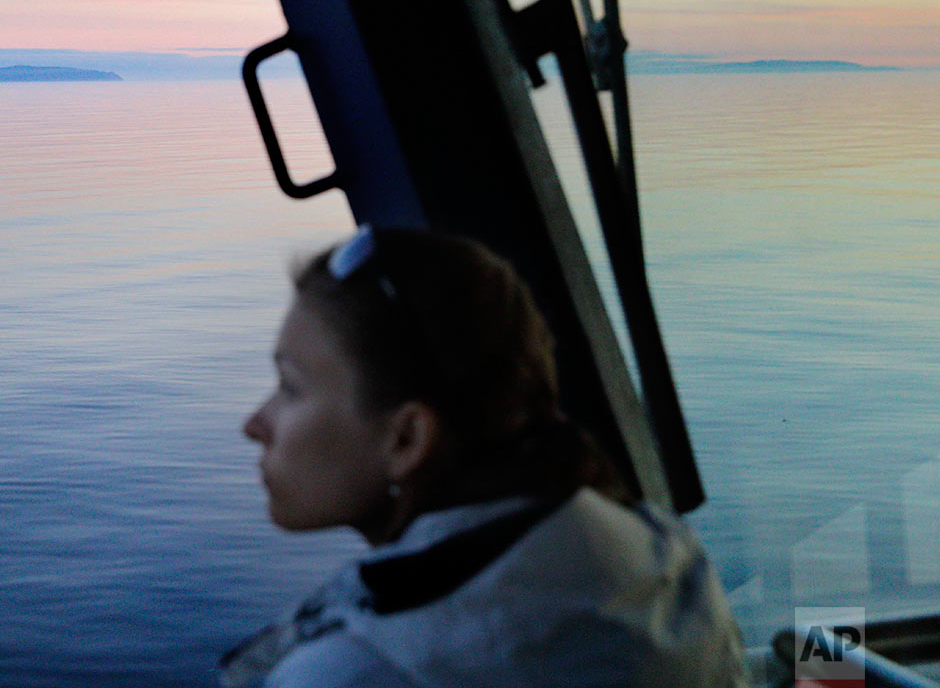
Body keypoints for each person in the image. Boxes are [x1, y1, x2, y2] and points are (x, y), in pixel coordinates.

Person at [222, 226, 745, 688]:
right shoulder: (663, 555)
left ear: (406, 439)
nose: (253, 425)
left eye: (290, 388)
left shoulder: (357, 670)